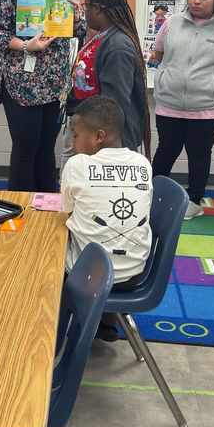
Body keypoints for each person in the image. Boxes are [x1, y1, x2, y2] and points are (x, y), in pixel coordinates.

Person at [0, 0, 84, 191]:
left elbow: (77, 32)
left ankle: (45, 209)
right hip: (21, 83)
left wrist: (76, 18)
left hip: (55, 83)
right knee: (25, 149)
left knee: (46, 151)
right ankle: (20, 214)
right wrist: (27, 46)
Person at [151, 0, 214, 220]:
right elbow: (158, 54)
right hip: (169, 103)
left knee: (199, 155)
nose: (197, 1)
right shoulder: (171, 23)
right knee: (166, 150)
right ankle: (151, 195)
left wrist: (205, 81)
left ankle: (193, 201)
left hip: (207, 108)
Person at [61, 96, 153, 340]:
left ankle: (55, 332)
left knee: (51, 249)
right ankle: (105, 324)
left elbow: (67, 212)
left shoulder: (77, 164)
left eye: (76, 135)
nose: (73, 141)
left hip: (88, 277)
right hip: (135, 273)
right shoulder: (143, 163)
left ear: (99, 137)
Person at [66, 0, 151, 158]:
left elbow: (113, 105)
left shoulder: (117, 46)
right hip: (95, 135)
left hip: (107, 143)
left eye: (85, 6)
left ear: (96, 8)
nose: (84, 11)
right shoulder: (103, 36)